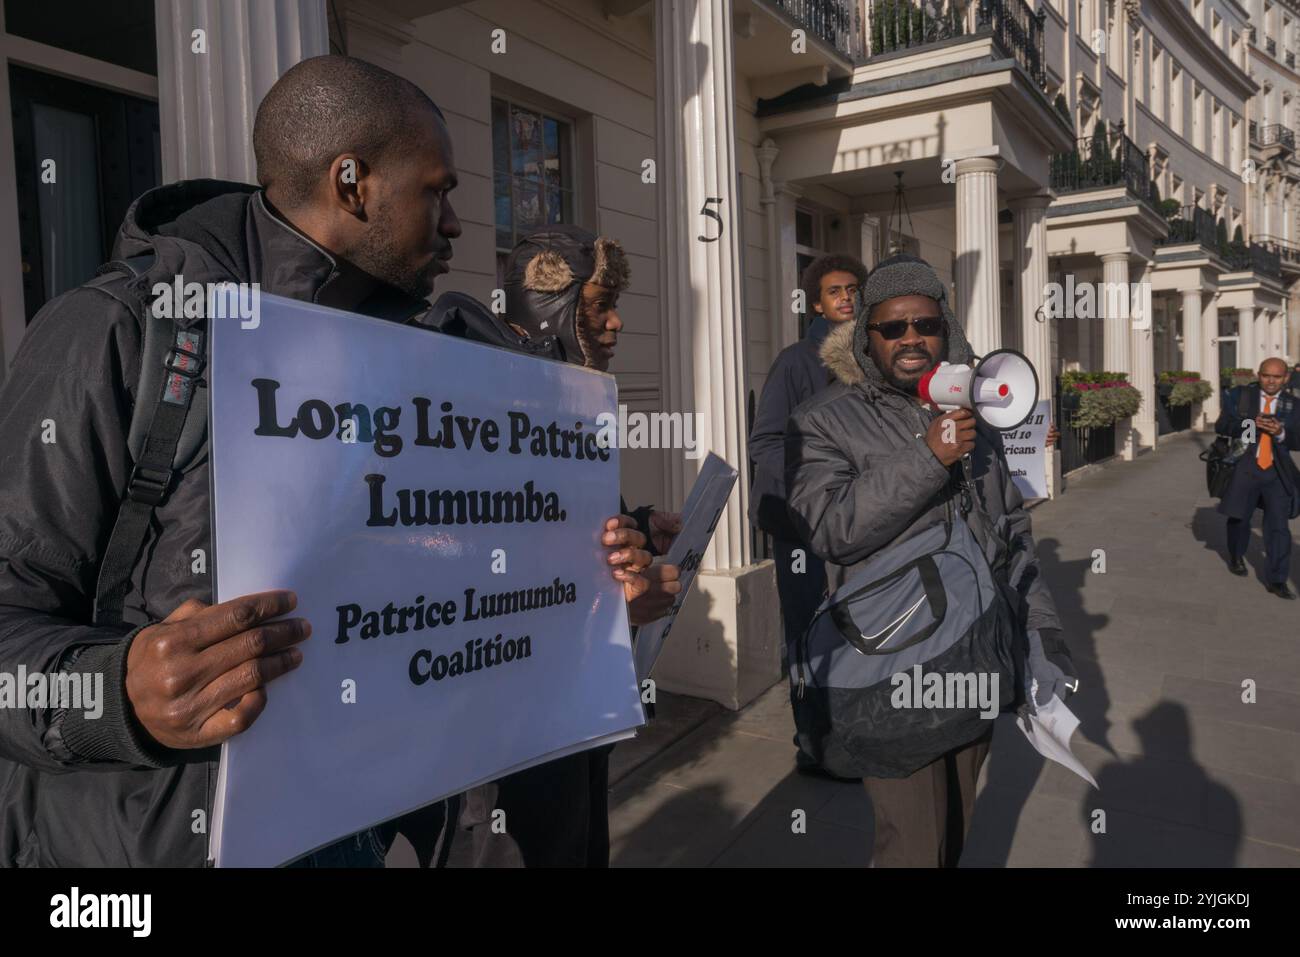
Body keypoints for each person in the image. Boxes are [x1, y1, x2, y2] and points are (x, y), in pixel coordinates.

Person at [0, 55, 650, 868]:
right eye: (437, 190)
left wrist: (601, 583)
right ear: (353, 183)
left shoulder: (430, 354)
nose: (455, 222)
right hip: (139, 846)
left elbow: (461, 577)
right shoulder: (122, 330)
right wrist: (116, 694)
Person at [784, 253, 1074, 867]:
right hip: (893, 669)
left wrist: (1043, 635)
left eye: (925, 325)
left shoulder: (980, 418)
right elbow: (830, 530)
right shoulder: (825, 422)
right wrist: (927, 456)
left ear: (947, 333)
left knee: (958, 827)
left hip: (978, 657)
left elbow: (1013, 539)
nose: (911, 338)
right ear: (868, 338)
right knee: (913, 846)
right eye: (893, 328)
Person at [429, 225, 680, 867]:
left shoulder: (569, 397)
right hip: (504, 729)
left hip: (575, 706)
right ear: (552, 308)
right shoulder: (485, 403)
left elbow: (562, 520)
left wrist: (634, 525)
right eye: (599, 305)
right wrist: (608, 598)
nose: (617, 322)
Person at [748, 254, 866, 771]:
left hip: (860, 524)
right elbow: (765, 442)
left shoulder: (872, 359)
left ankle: (851, 735)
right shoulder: (796, 361)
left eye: (854, 289)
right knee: (808, 636)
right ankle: (814, 744)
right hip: (801, 530)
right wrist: (811, 490)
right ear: (815, 302)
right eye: (836, 291)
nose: (847, 297)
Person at [1217, 357, 1300, 599]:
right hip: (1245, 466)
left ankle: (1277, 580)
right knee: (1239, 519)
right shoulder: (1241, 395)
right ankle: (1235, 556)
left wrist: (1281, 432)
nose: (1271, 381)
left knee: (1279, 527)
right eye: (1266, 375)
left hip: (1277, 471)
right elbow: (1223, 425)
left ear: (1285, 378)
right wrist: (1250, 425)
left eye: (1276, 377)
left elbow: (1297, 439)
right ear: (1258, 374)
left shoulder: (1294, 405)